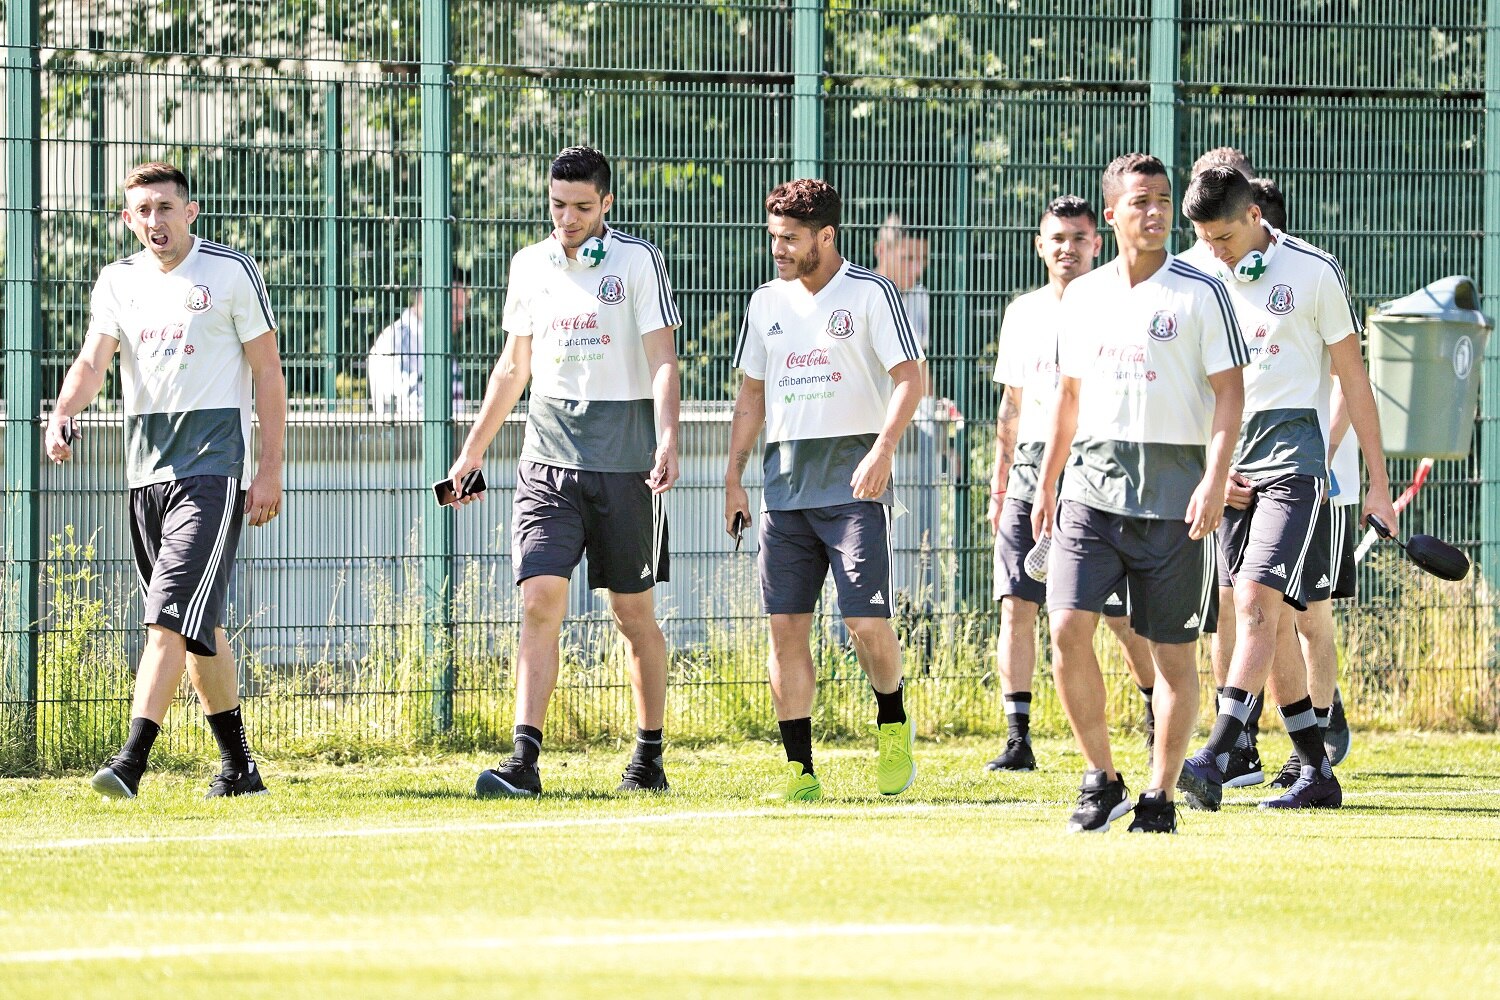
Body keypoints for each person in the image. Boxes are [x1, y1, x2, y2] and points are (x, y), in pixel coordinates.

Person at [45, 161, 286, 799]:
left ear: (191, 212)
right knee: (197, 627)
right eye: (142, 211)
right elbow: (93, 360)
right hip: (144, 473)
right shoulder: (116, 282)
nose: (155, 221)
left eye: (165, 208)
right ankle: (239, 768)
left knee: (167, 619)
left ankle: (129, 761)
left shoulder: (230, 272)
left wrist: (268, 469)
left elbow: (268, 372)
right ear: (129, 219)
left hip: (212, 471)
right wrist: (64, 411)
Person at [448, 146, 682, 797]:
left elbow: (663, 358)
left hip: (628, 468)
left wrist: (669, 437)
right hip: (545, 463)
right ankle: (523, 760)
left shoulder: (638, 262)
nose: (568, 218)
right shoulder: (529, 265)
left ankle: (648, 756)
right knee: (538, 601)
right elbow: (512, 368)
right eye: (558, 205)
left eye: (582, 207)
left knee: (633, 616)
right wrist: (472, 452)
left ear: (606, 203)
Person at [1032, 153, 1248, 834]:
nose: (1153, 212)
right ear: (1113, 215)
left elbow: (1230, 395)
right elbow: (1068, 399)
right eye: (1139, 202)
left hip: (1175, 503)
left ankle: (1158, 795)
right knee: (1066, 628)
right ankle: (1102, 778)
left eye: (1162, 199)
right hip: (1090, 494)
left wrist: (1215, 480)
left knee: (1173, 659)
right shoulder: (1085, 296)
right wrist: (1047, 484)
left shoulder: (1201, 291)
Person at [1176, 166, 1395, 811]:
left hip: (1295, 458)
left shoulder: (1314, 271)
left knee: (1255, 601)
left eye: (1221, 236)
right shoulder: (1196, 276)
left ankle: (1216, 751)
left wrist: (1378, 485)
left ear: (1252, 217)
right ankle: (1315, 771)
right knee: (1253, 618)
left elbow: (1354, 380)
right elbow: (1189, 389)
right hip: (1229, 462)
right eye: (1204, 239)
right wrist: (1210, 472)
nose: (1213, 250)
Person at [725, 179, 925, 801]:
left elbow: (909, 379)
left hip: (854, 483)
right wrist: (733, 476)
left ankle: (892, 722)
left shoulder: (871, 294)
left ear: (826, 236)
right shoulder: (764, 303)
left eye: (790, 238)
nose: (778, 248)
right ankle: (799, 771)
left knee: (865, 623)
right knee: (785, 627)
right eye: (773, 237)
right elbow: (752, 396)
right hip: (784, 489)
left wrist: (883, 452)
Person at [984, 195, 1159, 774]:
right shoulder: (1022, 313)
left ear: (1097, 244)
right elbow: (1011, 404)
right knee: (1017, 602)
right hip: (1030, 469)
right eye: (1056, 238)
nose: (1066, 248)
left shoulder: (1114, 304)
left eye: (1078, 238)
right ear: (1040, 246)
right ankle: (1018, 738)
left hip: (1093, 473)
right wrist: (1001, 481)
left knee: (1118, 616)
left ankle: (1157, 711)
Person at [874, 214, 940, 608]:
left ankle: (912, 618)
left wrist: (932, 411)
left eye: (923, 260)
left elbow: (919, 367)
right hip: (864, 430)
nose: (917, 269)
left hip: (904, 434)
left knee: (906, 536)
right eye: (909, 257)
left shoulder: (919, 298)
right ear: (883, 250)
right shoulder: (865, 292)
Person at [367, 267, 469, 417]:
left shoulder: (439, 341)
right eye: (455, 307)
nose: (461, 317)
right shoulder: (396, 339)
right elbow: (402, 407)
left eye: (463, 308)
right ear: (423, 299)